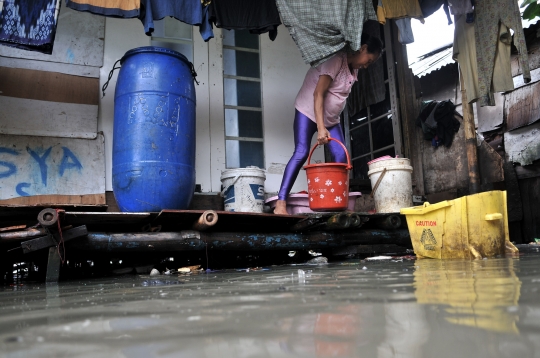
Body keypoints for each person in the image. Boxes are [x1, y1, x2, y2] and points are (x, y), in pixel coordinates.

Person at [274, 32, 383, 215]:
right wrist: (320, 127)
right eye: (369, 60)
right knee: (301, 153)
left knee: (341, 157)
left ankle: (339, 204)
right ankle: (281, 203)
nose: (366, 66)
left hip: (331, 120)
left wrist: (326, 124)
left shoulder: (354, 68)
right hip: (308, 112)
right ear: (362, 48)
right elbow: (318, 94)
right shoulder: (335, 61)